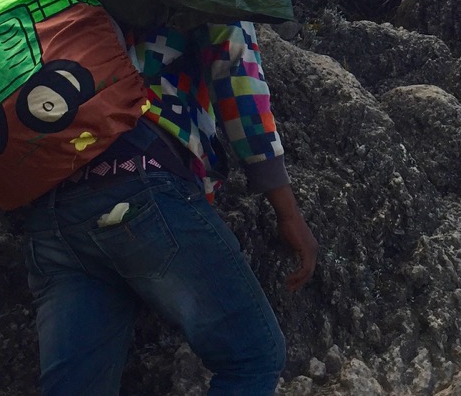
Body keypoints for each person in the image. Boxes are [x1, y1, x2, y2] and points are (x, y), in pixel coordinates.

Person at [23, 20, 316, 396]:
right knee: (252, 356)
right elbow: (238, 79)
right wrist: (288, 213)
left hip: (51, 201)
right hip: (139, 178)